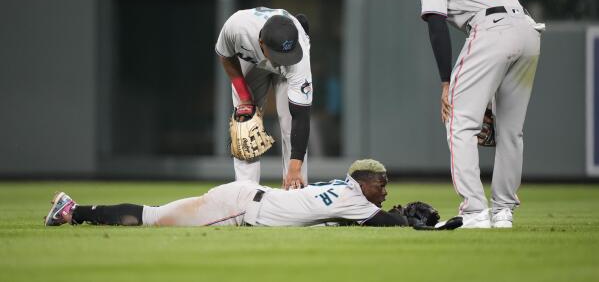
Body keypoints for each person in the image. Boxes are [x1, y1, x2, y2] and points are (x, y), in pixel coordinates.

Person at [401, 0, 542, 228]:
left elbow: (436, 25)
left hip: (490, 30)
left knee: (459, 122)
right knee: (510, 131)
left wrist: (445, 83)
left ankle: (474, 211)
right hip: (528, 33)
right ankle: (504, 212)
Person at [45, 159, 421, 228]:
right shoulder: (355, 198)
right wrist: (412, 219)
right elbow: (386, 222)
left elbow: (372, 219)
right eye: (381, 183)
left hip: (248, 196)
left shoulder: (346, 190)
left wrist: (399, 215)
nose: (385, 190)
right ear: (362, 181)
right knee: (153, 218)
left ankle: (74, 210)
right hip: (241, 206)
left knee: (154, 214)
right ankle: (72, 211)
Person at [216, 8, 312, 189]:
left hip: (290, 70)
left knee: (290, 126)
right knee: (245, 124)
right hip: (250, 61)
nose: (282, 59)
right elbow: (225, 56)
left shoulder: (300, 58)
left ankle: (296, 193)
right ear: (261, 43)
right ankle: (245, 195)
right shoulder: (236, 27)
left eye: (287, 55)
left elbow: (301, 115)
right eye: (279, 56)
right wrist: (245, 98)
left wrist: (295, 165)